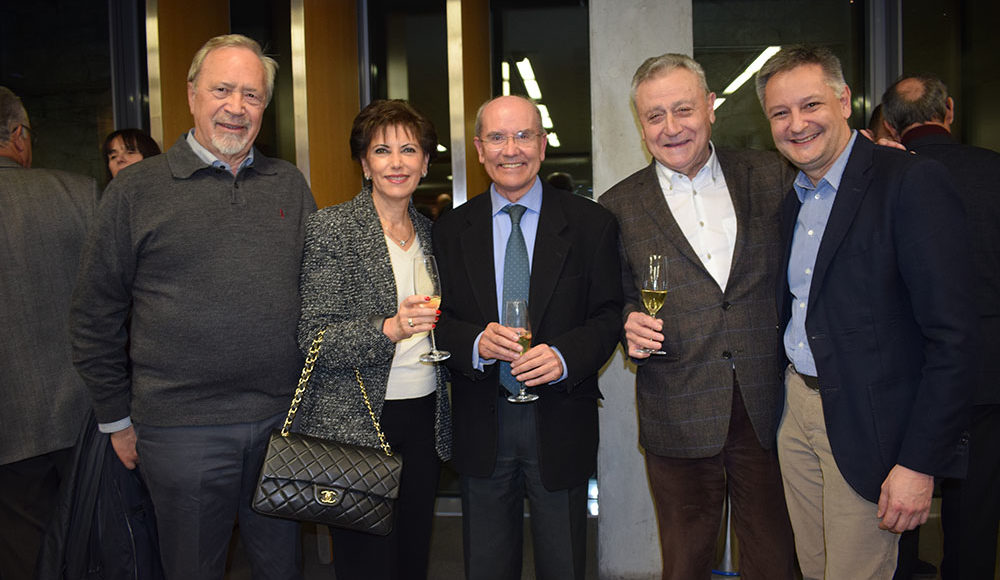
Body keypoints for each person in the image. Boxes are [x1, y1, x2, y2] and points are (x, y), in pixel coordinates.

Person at [70, 34, 316, 579]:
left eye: (251, 95)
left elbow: (314, 294)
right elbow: (94, 313)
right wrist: (115, 419)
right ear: (191, 95)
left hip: (280, 422)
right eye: (222, 90)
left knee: (283, 568)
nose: (236, 107)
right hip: (181, 431)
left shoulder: (288, 184)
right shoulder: (135, 190)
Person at [755, 45, 978, 579]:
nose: (797, 124)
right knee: (815, 570)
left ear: (844, 101)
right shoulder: (794, 200)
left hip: (870, 430)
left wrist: (919, 462)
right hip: (798, 415)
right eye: (780, 113)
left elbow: (954, 338)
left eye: (811, 105)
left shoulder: (908, 182)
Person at [598, 53, 797, 579]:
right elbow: (613, 299)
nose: (671, 127)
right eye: (654, 115)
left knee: (775, 558)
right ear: (640, 124)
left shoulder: (773, 175)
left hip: (768, 405)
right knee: (685, 562)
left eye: (683, 109)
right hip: (677, 407)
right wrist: (626, 322)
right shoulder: (617, 206)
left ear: (710, 106)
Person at [432, 94, 623, 580]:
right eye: (497, 137)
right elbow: (438, 318)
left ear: (542, 144)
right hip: (483, 420)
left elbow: (608, 314)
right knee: (486, 565)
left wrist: (563, 355)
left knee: (564, 564)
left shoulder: (591, 225)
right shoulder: (450, 230)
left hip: (560, 418)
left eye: (523, 136)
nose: (510, 149)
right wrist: (474, 343)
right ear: (480, 149)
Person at [294, 99, 452, 580]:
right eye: (382, 151)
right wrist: (389, 328)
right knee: (367, 563)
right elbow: (314, 338)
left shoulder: (433, 234)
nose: (396, 163)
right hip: (359, 421)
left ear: (425, 162)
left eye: (409, 150)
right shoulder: (332, 229)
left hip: (424, 416)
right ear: (364, 164)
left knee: (412, 555)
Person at [882, 73, 1000, 580]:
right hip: (988, 372)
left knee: (898, 508)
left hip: (911, 370)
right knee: (976, 513)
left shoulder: (888, 174)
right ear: (949, 110)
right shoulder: (993, 170)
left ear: (890, 124)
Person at [0, 86, 97, 580]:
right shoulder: (79, 193)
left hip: (7, 427)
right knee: (96, 547)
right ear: (19, 135)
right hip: (85, 414)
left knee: (23, 555)